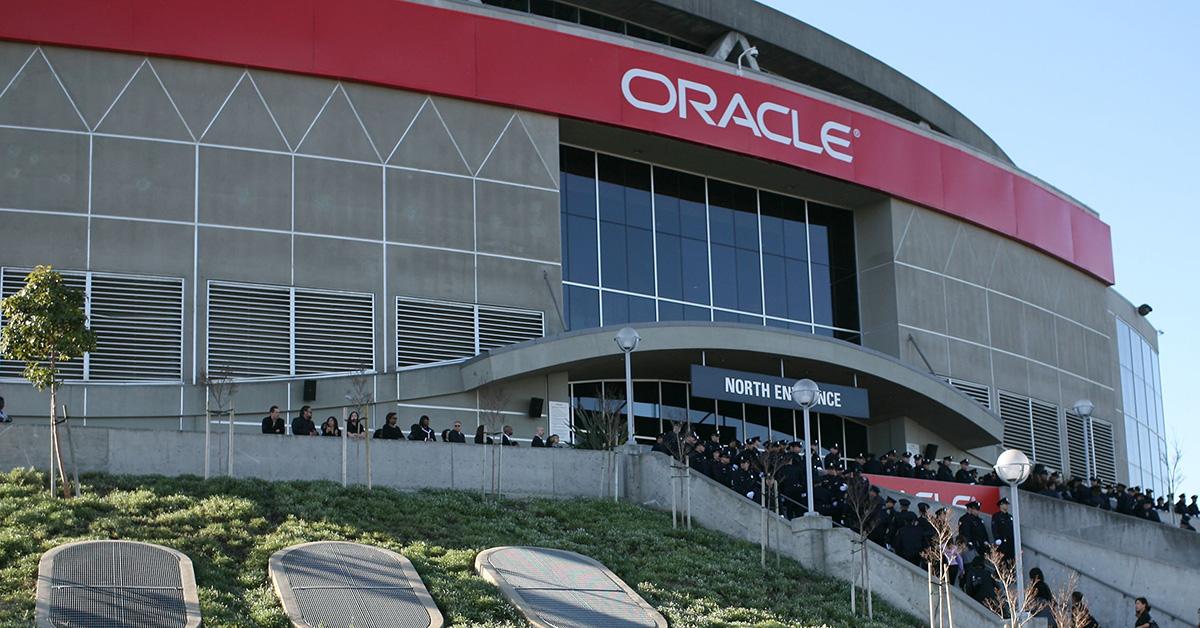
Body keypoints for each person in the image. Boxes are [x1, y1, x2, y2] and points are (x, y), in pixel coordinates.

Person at [991, 497, 1015, 562]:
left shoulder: (1010, 517)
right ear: (1001, 505)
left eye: (1007, 504)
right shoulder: (996, 516)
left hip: (1010, 543)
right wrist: (997, 538)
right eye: (1005, 504)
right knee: (1002, 562)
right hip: (1002, 543)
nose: (1007, 505)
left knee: (1011, 562)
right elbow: (994, 528)